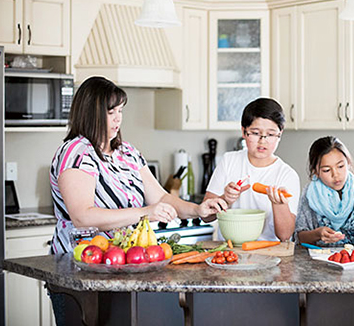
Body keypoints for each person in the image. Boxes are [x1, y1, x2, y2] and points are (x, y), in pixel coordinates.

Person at [48, 76, 227, 324]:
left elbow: (162, 197)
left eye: (120, 111)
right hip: (82, 268)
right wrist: (145, 212)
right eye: (111, 112)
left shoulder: (127, 153)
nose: (118, 119)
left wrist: (198, 209)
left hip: (124, 264)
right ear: (90, 112)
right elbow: (83, 216)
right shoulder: (76, 151)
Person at [202, 98, 300, 241]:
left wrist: (279, 205)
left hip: (269, 256)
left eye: (271, 134)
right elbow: (205, 216)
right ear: (244, 131)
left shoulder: (287, 175)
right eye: (255, 133)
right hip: (229, 254)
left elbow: (285, 236)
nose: (263, 140)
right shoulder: (229, 161)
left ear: (280, 134)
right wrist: (226, 199)